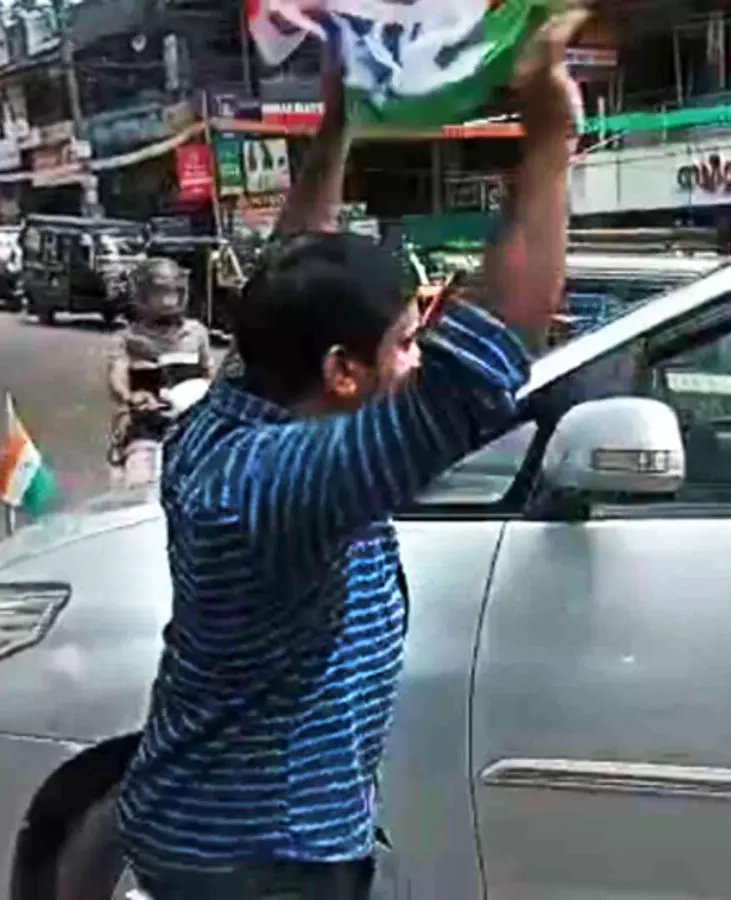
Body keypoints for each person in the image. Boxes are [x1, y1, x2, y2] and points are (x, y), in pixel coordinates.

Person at [115, 13, 585, 899]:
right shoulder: (281, 482)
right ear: (340, 372)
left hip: (221, 827)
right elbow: (477, 370)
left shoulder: (240, 403)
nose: (416, 355)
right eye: (405, 340)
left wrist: (336, 122)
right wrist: (549, 143)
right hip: (259, 854)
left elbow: (289, 272)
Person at [106, 256, 214, 487]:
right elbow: (117, 375)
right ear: (143, 296)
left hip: (193, 429)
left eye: (173, 293)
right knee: (139, 482)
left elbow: (210, 376)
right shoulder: (126, 339)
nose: (168, 301)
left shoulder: (196, 334)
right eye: (160, 293)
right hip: (147, 428)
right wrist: (130, 396)